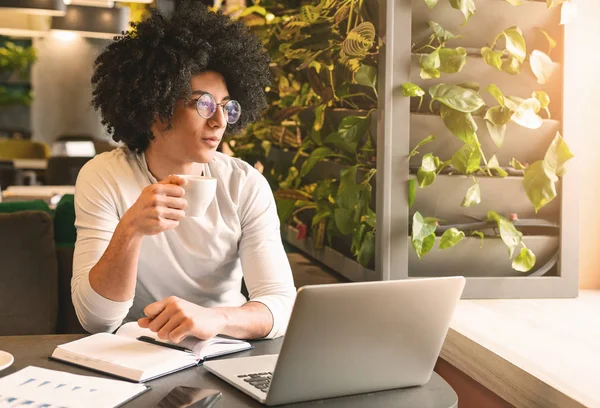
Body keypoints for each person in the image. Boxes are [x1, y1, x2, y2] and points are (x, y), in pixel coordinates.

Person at [71, 2, 296, 343]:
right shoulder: (104, 177)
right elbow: (96, 320)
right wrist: (130, 229)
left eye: (226, 107)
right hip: (136, 355)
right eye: (202, 104)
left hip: (224, 348)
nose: (219, 121)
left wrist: (214, 319)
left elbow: (280, 304)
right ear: (157, 110)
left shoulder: (245, 184)